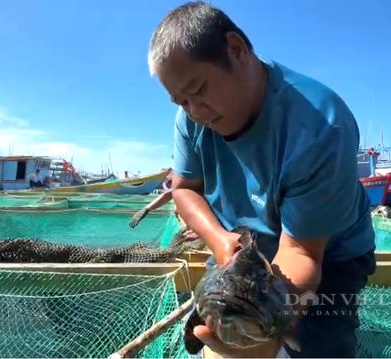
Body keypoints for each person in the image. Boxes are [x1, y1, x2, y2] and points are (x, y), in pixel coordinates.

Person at [147, 2, 376, 358]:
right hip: (240, 249)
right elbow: (185, 189)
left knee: (317, 346)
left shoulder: (317, 126)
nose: (194, 111)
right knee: (220, 326)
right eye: (181, 101)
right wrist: (221, 242)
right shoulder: (189, 118)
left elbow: (301, 252)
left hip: (325, 252)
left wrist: (268, 336)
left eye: (199, 91)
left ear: (235, 50)